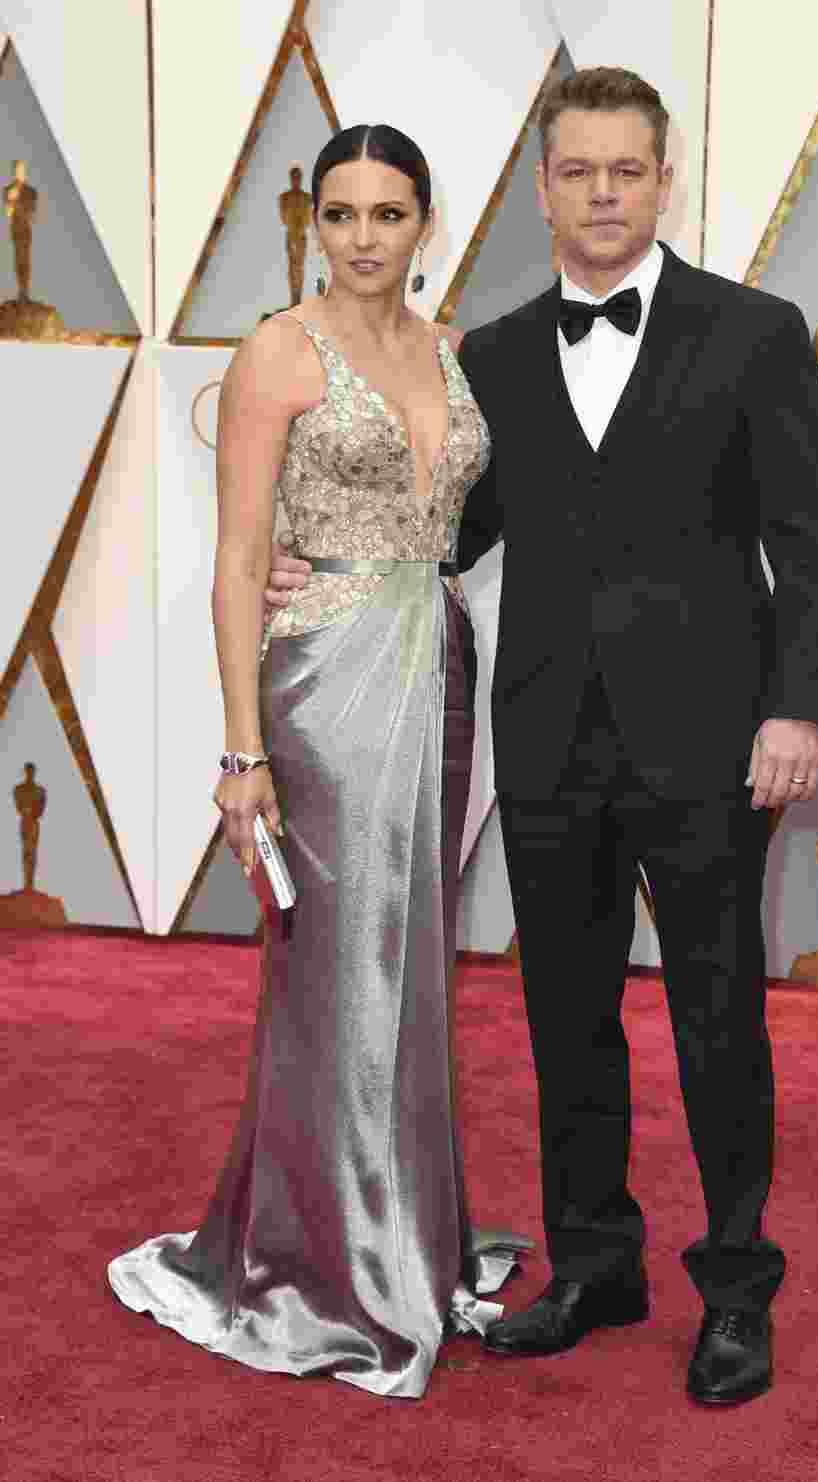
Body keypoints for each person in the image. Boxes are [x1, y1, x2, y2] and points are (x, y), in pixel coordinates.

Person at [268, 67, 818, 1406]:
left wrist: (798, 706)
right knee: (564, 1018)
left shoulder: (757, 333)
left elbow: (811, 545)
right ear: (542, 188)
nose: (602, 193)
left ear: (665, 181)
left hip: (716, 742)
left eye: (626, 171)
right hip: (546, 738)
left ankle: (737, 1286)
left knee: (720, 1020)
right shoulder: (495, 353)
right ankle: (596, 1263)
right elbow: (452, 536)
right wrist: (325, 566)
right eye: (577, 171)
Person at [108, 124, 528, 1400]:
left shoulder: (460, 356)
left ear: (422, 222)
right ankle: (319, 1273)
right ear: (315, 225)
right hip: (324, 679)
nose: (361, 239)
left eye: (386, 214)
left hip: (437, 661)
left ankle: (408, 1238)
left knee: (414, 959)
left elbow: (478, 520)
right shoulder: (278, 354)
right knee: (340, 968)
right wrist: (242, 753)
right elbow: (241, 559)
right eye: (338, 214)